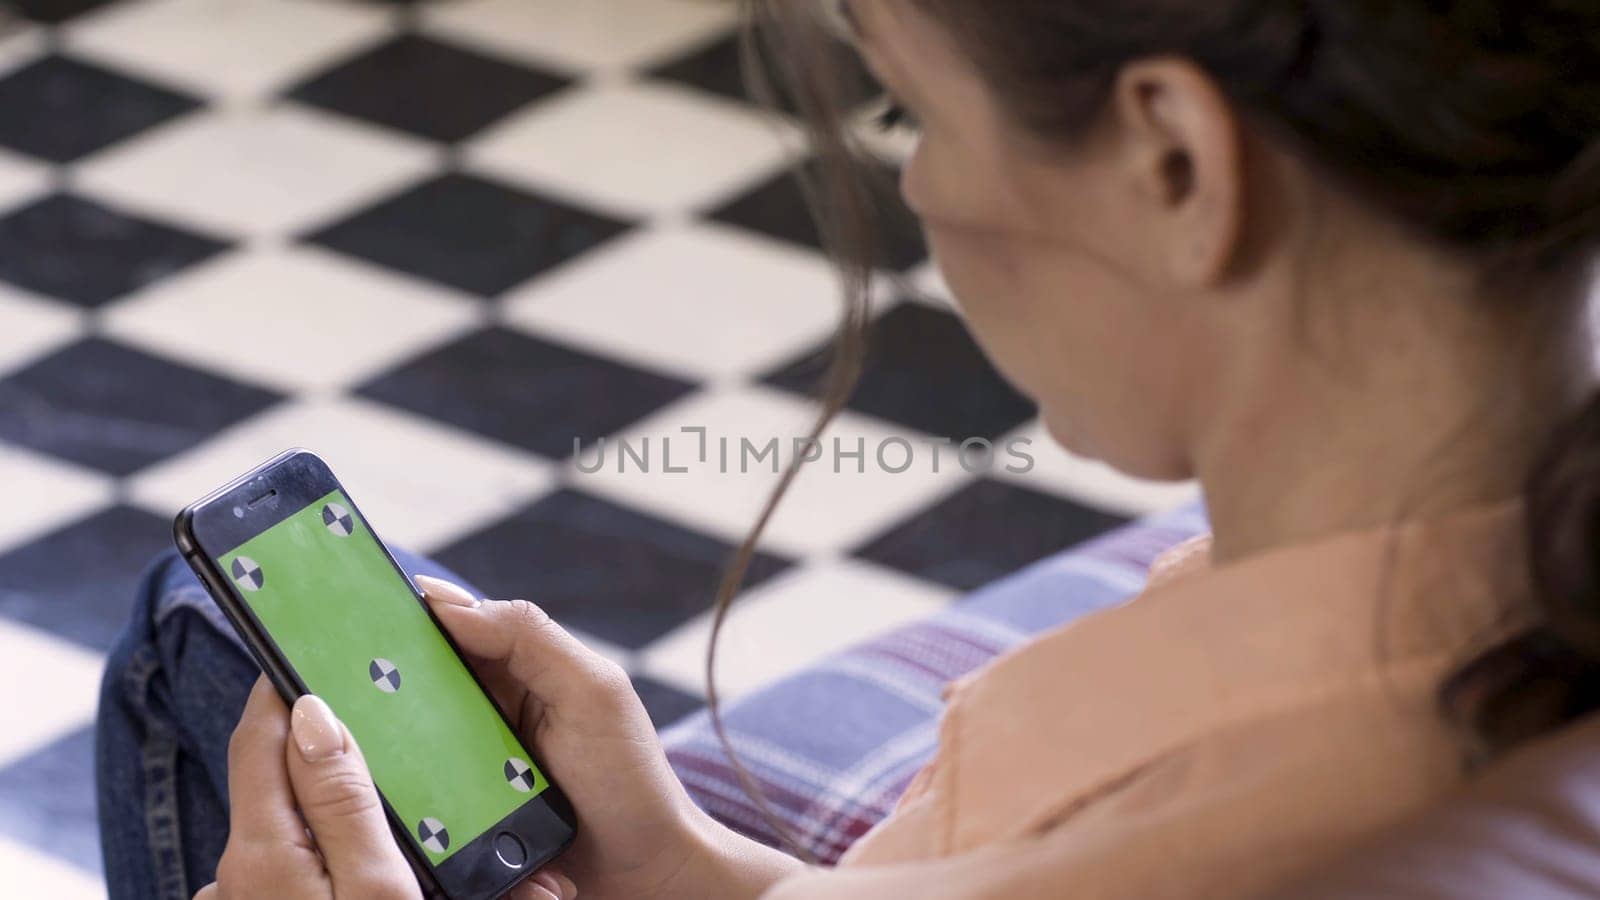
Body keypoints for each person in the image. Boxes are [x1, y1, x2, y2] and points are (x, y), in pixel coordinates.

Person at [96, 1, 1600, 898]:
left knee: (197, 634)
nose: (927, 191)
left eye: (907, 105)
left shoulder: (1222, 825)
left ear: (1174, 162)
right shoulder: (1475, 601)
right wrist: (692, 868)